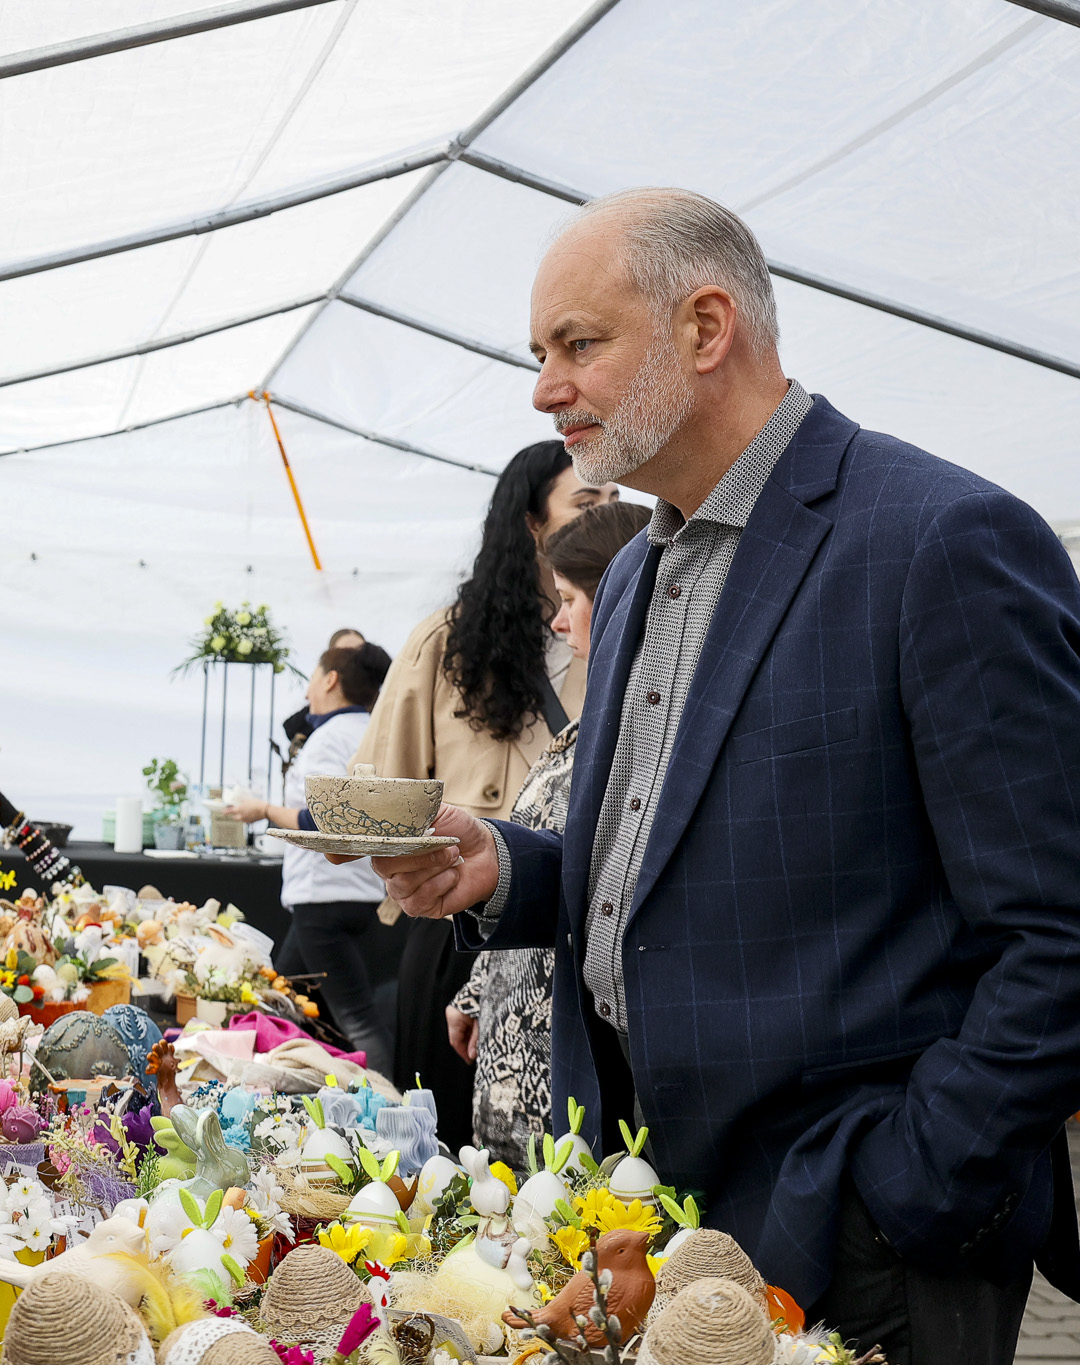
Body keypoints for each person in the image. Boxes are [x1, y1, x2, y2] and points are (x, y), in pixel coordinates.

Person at [365, 187, 1080, 1364]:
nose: (543, 389)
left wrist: (907, 1184)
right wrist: (503, 867)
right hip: (651, 1208)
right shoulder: (634, 576)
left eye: (576, 344)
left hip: (853, 1225)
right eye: (539, 353)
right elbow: (659, 865)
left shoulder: (936, 539)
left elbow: (1057, 929)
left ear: (704, 328)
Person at [353, 440, 617, 1144]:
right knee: (436, 1155)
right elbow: (377, 785)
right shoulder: (445, 643)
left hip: (574, 939)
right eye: (584, 502)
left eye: (613, 500)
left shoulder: (641, 640)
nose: (604, 514)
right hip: (454, 919)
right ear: (532, 523)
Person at [446, 501, 649, 1162]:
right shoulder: (590, 725)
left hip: (564, 1054)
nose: (559, 622)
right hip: (516, 1037)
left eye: (569, 600)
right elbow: (539, 863)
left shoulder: (642, 738)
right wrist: (477, 990)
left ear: (618, 595)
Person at [226, 641, 398, 1075]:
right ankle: (273, 1076)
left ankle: (390, 1102)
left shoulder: (328, 739)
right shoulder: (376, 732)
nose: (306, 693)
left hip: (324, 895)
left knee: (356, 1017)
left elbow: (322, 819)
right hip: (363, 891)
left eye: (311, 680)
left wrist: (264, 810)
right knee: (281, 1000)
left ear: (330, 680)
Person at [279, 627, 366, 772]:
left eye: (359, 652)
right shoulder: (317, 712)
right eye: (344, 652)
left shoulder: (379, 706)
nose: (352, 659)